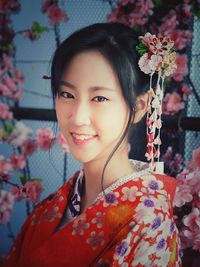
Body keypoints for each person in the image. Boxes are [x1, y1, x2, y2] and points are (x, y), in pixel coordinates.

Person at [3, 23, 182, 267]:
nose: (77, 118)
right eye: (67, 94)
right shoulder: (52, 207)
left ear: (139, 107)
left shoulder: (150, 221)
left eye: (99, 98)